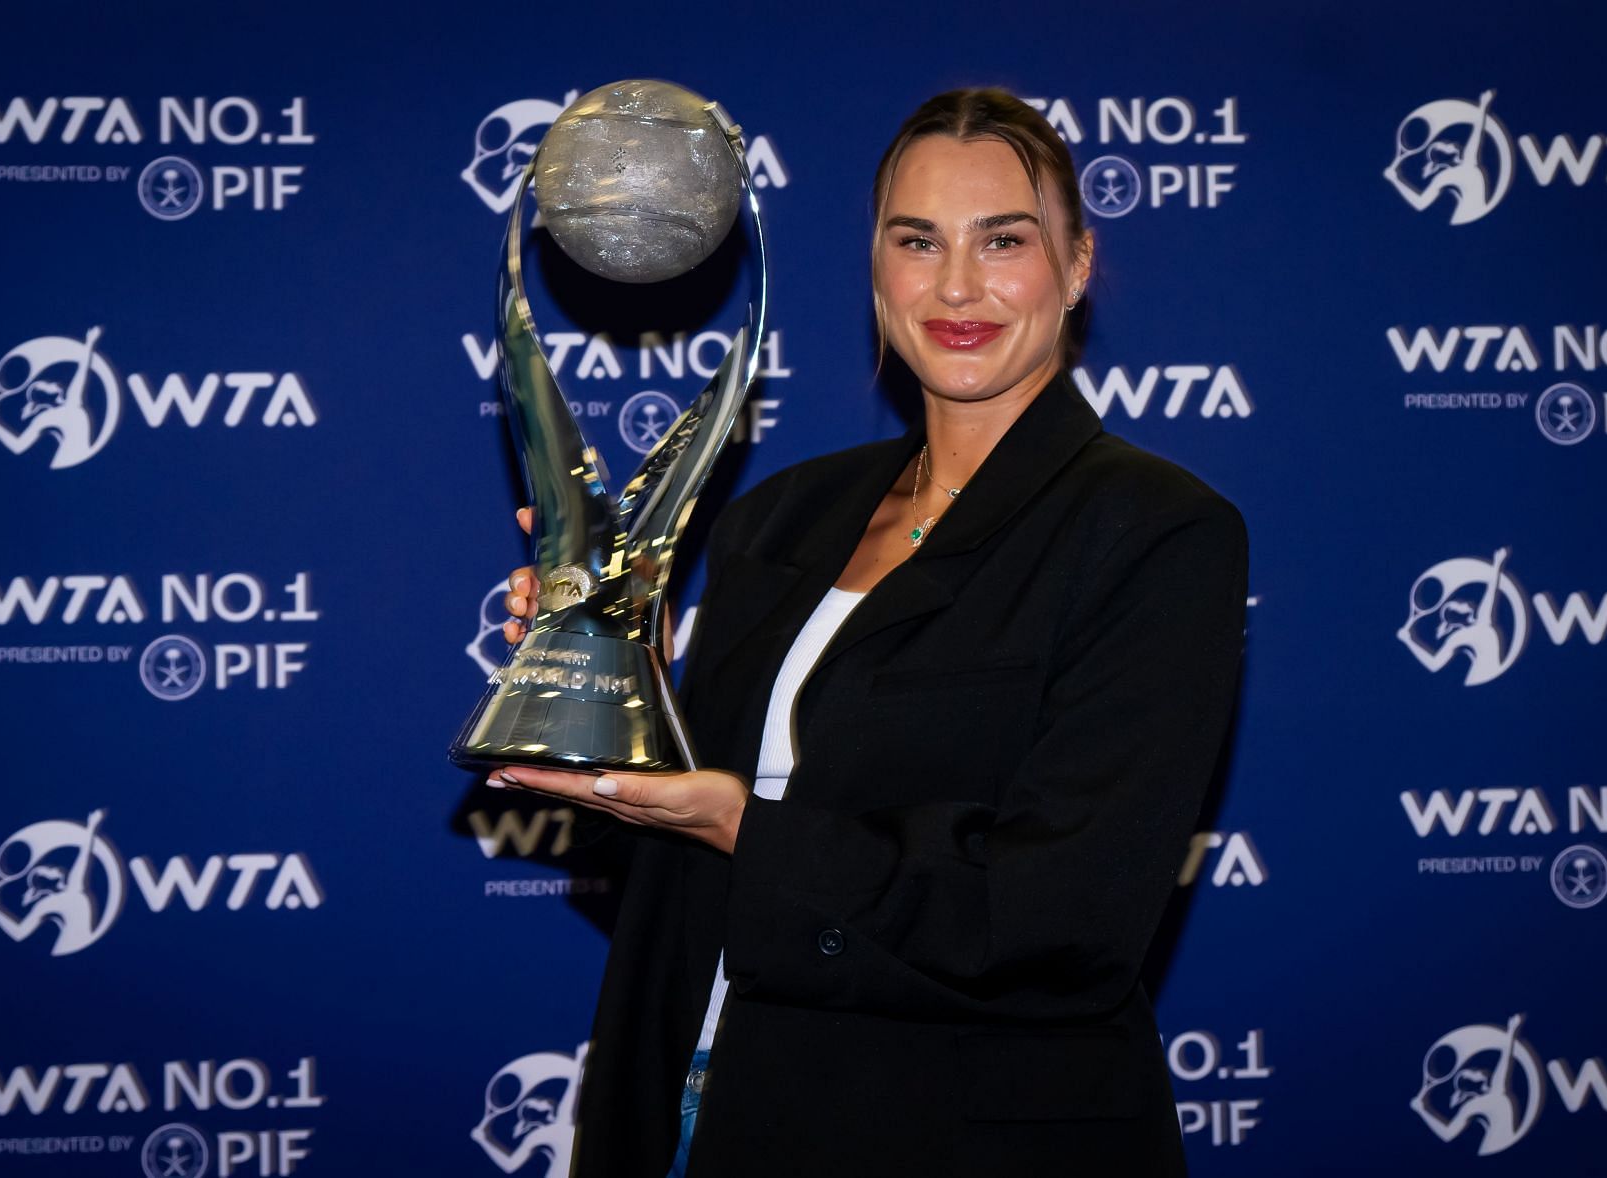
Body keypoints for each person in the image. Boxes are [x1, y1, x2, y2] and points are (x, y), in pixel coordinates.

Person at [487, 87, 1248, 1177]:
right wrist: (607, 691)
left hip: (952, 1135)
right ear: (878, 269)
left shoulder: (1157, 533)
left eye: (1005, 240)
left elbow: (1064, 918)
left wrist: (749, 824)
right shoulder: (781, 514)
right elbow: (666, 862)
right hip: (694, 1108)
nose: (956, 285)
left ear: (1077, 266)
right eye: (916, 241)